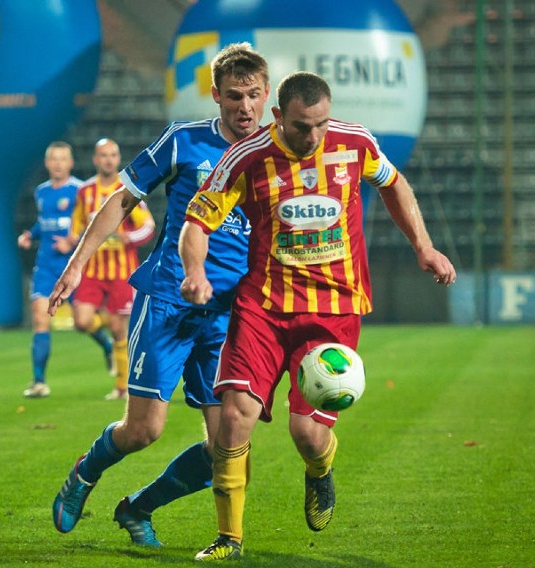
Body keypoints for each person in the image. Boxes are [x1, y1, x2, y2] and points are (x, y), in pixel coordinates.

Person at [179, 71, 457, 561]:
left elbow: (394, 184)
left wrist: (424, 246)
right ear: (278, 116)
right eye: (303, 127)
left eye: (321, 125)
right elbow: (197, 220)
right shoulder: (246, 158)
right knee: (234, 418)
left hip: (333, 313)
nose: (314, 137)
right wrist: (195, 270)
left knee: (307, 435)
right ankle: (229, 538)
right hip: (263, 309)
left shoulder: (355, 144)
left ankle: (320, 469)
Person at [48, 43, 270, 546]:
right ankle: (85, 472)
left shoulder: (274, 154)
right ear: (215, 95)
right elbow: (123, 199)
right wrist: (77, 263)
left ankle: (137, 508)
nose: (244, 106)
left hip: (228, 315)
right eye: (234, 95)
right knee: (144, 429)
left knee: (228, 453)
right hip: (170, 300)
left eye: (254, 95)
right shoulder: (184, 141)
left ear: (267, 93)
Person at [17, 141, 114, 398]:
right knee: (39, 318)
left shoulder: (81, 191)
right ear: (47, 163)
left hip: (74, 266)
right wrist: (30, 234)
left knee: (82, 322)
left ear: (70, 163)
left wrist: (73, 241)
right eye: (53, 159)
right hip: (46, 266)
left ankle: (107, 345)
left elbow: (95, 222)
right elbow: (44, 222)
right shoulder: (41, 192)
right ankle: (38, 381)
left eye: (63, 159)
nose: (58, 164)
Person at [67, 138, 156, 400]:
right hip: (92, 271)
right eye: (103, 155)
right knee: (81, 321)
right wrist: (73, 241)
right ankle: (108, 341)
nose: (108, 159)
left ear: (118, 159)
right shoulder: (85, 192)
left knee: (120, 329)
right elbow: (77, 228)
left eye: (113, 155)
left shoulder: (128, 189)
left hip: (121, 272)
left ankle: (121, 388)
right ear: (95, 159)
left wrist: (129, 238)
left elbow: (147, 227)